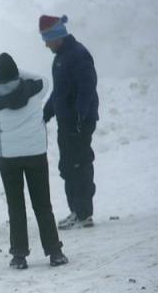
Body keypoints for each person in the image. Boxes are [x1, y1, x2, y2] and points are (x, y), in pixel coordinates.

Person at [0, 52, 68, 269]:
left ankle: (19, 256)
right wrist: (18, 73)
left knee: (16, 206)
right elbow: (45, 80)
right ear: (16, 73)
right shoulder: (34, 90)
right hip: (36, 154)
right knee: (43, 204)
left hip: (9, 158)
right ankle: (55, 252)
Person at [39, 15, 99, 230]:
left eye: (47, 39)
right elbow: (60, 92)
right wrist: (45, 114)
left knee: (78, 165)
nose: (45, 45)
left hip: (78, 123)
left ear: (57, 36)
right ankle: (77, 211)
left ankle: (83, 213)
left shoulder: (78, 55)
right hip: (68, 123)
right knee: (68, 166)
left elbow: (87, 88)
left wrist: (81, 118)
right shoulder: (62, 56)